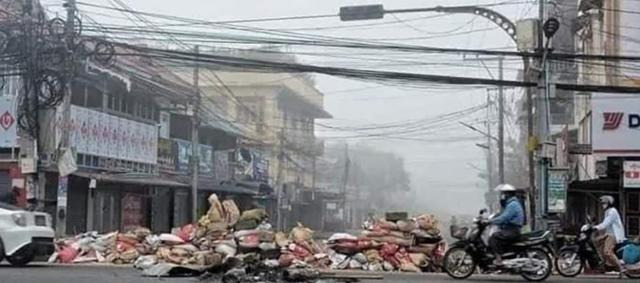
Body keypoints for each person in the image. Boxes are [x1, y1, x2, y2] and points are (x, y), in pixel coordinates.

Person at [488, 184, 525, 265]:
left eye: (503, 194)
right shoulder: (510, 204)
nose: (502, 196)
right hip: (510, 229)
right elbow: (502, 215)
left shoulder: (512, 205)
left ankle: (498, 258)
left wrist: (491, 221)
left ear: (508, 194)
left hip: (512, 230)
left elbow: (504, 218)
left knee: (493, 238)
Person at [594, 195, 627, 273]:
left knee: (607, 251)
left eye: (604, 203)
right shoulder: (607, 212)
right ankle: (606, 262)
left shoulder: (612, 211)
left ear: (609, 203)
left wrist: (595, 227)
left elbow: (606, 223)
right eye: (602, 203)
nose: (603, 205)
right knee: (596, 241)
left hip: (614, 235)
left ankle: (620, 266)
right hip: (608, 234)